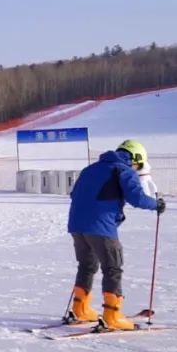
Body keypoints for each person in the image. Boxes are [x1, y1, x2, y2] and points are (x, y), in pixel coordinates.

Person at [67, 140, 165, 330]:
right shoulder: (123, 170)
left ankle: (80, 308)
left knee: (87, 265)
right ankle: (112, 314)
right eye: (138, 164)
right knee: (112, 268)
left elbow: (74, 195)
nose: (137, 168)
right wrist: (157, 204)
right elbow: (137, 198)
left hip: (76, 225)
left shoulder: (90, 169)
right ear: (134, 158)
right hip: (101, 228)